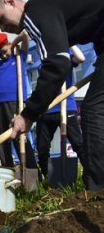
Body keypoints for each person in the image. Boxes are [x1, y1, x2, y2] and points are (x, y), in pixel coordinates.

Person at [0, 0, 104, 190]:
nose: (3, 28)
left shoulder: (34, 12)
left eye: (1, 20)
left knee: (94, 112)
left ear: (10, 2)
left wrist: (28, 114)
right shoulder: (46, 7)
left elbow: (57, 63)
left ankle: (98, 192)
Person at [0, 31, 38, 170]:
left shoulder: (19, 57)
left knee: (19, 136)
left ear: (9, 44)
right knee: (0, 140)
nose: (3, 55)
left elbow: (25, 35)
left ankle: (31, 170)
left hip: (15, 102)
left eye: (4, 51)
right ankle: (7, 171)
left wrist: (13, 45)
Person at [36, 46, 86, 178]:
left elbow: (81, 58)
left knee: (78, 143)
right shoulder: (43, 64)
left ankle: (91, 174)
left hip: (66, 107)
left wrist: (69, 42)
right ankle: (48, 177)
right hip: (46, 110)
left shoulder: (66, 57)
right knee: (42, 147)